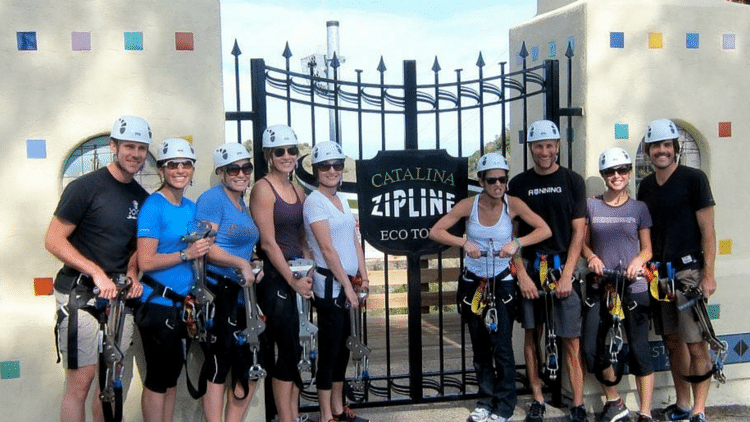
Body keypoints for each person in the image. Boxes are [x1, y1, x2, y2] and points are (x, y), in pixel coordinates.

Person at [430, 152, 552, 422]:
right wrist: (464, 243)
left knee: (502, 346)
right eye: (492, 180)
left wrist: (517, 244)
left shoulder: (513, 204)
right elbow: (436, 231)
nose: (498, 185)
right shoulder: (468, 206)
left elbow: (544, 229)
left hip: (502, 282)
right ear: (481, 181)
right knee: (480, 345)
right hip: (474, 282)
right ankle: (484, 401)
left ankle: (504, 404)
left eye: (503, 180)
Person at [45, 115, 151, 422]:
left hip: (119, 299)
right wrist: (95, 271)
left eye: (141, 148)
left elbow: (134, 248)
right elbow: (53, 239)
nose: (135, 154)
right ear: (114, 146)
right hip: (81, 295)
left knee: (110, 383)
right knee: (82, 382)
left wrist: (132, 274)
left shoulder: (142, 198)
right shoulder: (85, 188)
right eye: (129, 146)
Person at [506, 120, 588, 422]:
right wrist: (522, 275)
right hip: (530, 267)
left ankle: (577, 403)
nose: (544, 151)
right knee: (532, 335)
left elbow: (579, 232)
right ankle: (538, 398)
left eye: (549, 145)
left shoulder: (572, 181)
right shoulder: (518, 184)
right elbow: (511, 236)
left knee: (571, 339)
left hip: (561, 267)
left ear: (557, 147)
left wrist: (568, 274)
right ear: (531, 148)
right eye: (538, 146)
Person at [636, 119, 717, 422]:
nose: (661, 151)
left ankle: (699, 409)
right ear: (649, 150)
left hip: (688, 274)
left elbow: (708, 231)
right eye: (656, 146)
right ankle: (683, 403)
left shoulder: (694, 179)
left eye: (666, 145)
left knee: (696, 343)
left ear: (675, 148)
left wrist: (708, 275)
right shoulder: (645, 186)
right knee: (672, 341)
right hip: (660, 276)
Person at [136, 138, 212, 422]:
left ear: (192, 170)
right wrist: (186, 253)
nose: (179, 170)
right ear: (161, 171)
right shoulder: (153, 207)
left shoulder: (190, 207)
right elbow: (146, 261)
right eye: (172, 165)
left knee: (171, 378)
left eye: (186, 165)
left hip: (183, 304)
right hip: (157, 303)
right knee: (158, 379)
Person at [580, 147, 654, 422]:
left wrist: (638, 261)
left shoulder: (639, 208)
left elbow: (647, 249)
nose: (617, 175)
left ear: (629, 172)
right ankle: (615, 401)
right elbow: (583, 244)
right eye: (610, 171)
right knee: (591, 347)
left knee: (638, 349)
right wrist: (592, 257)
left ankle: (645, 413)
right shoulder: (591, 205)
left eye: (622, 170)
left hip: (633, 287)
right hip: (604, 287)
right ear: (603, 175)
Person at [249, 124, 313, 422]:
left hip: (297, 276)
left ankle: (294, 415)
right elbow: (268, 243)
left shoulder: (297, 188)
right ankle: (285, 418)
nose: (287, 156)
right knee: (284, 348)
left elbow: (301, 237)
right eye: (280, 151)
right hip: (277, 278)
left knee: (297, 347)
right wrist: (292, 279)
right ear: (268, 155)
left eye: (291, 150)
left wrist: (308, 269)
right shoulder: (263, 188)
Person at [303, 141, 370, 422]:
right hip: (331, 286)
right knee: (330, 350)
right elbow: (327, 249)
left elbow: (353, 240)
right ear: (316, 170)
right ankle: (324, 415)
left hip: (348, 283)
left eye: (337, 165)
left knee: (344, 347)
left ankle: (338, 408)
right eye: (325, 166)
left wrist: (363, 277)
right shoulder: (314, 201)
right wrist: (346, 284)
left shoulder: (341, 199)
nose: (332, 171)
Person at [195, 142, 263, 422]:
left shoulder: (241, 204)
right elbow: (205, 246)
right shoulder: (213, 199)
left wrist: (255, 261)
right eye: (233, 168)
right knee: (218, 363)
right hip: (219, 290)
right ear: (221, 172)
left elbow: (245, 246)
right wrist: (241, 263)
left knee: (247, 362)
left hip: (242, 294)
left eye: (246, 167)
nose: (241, 173)